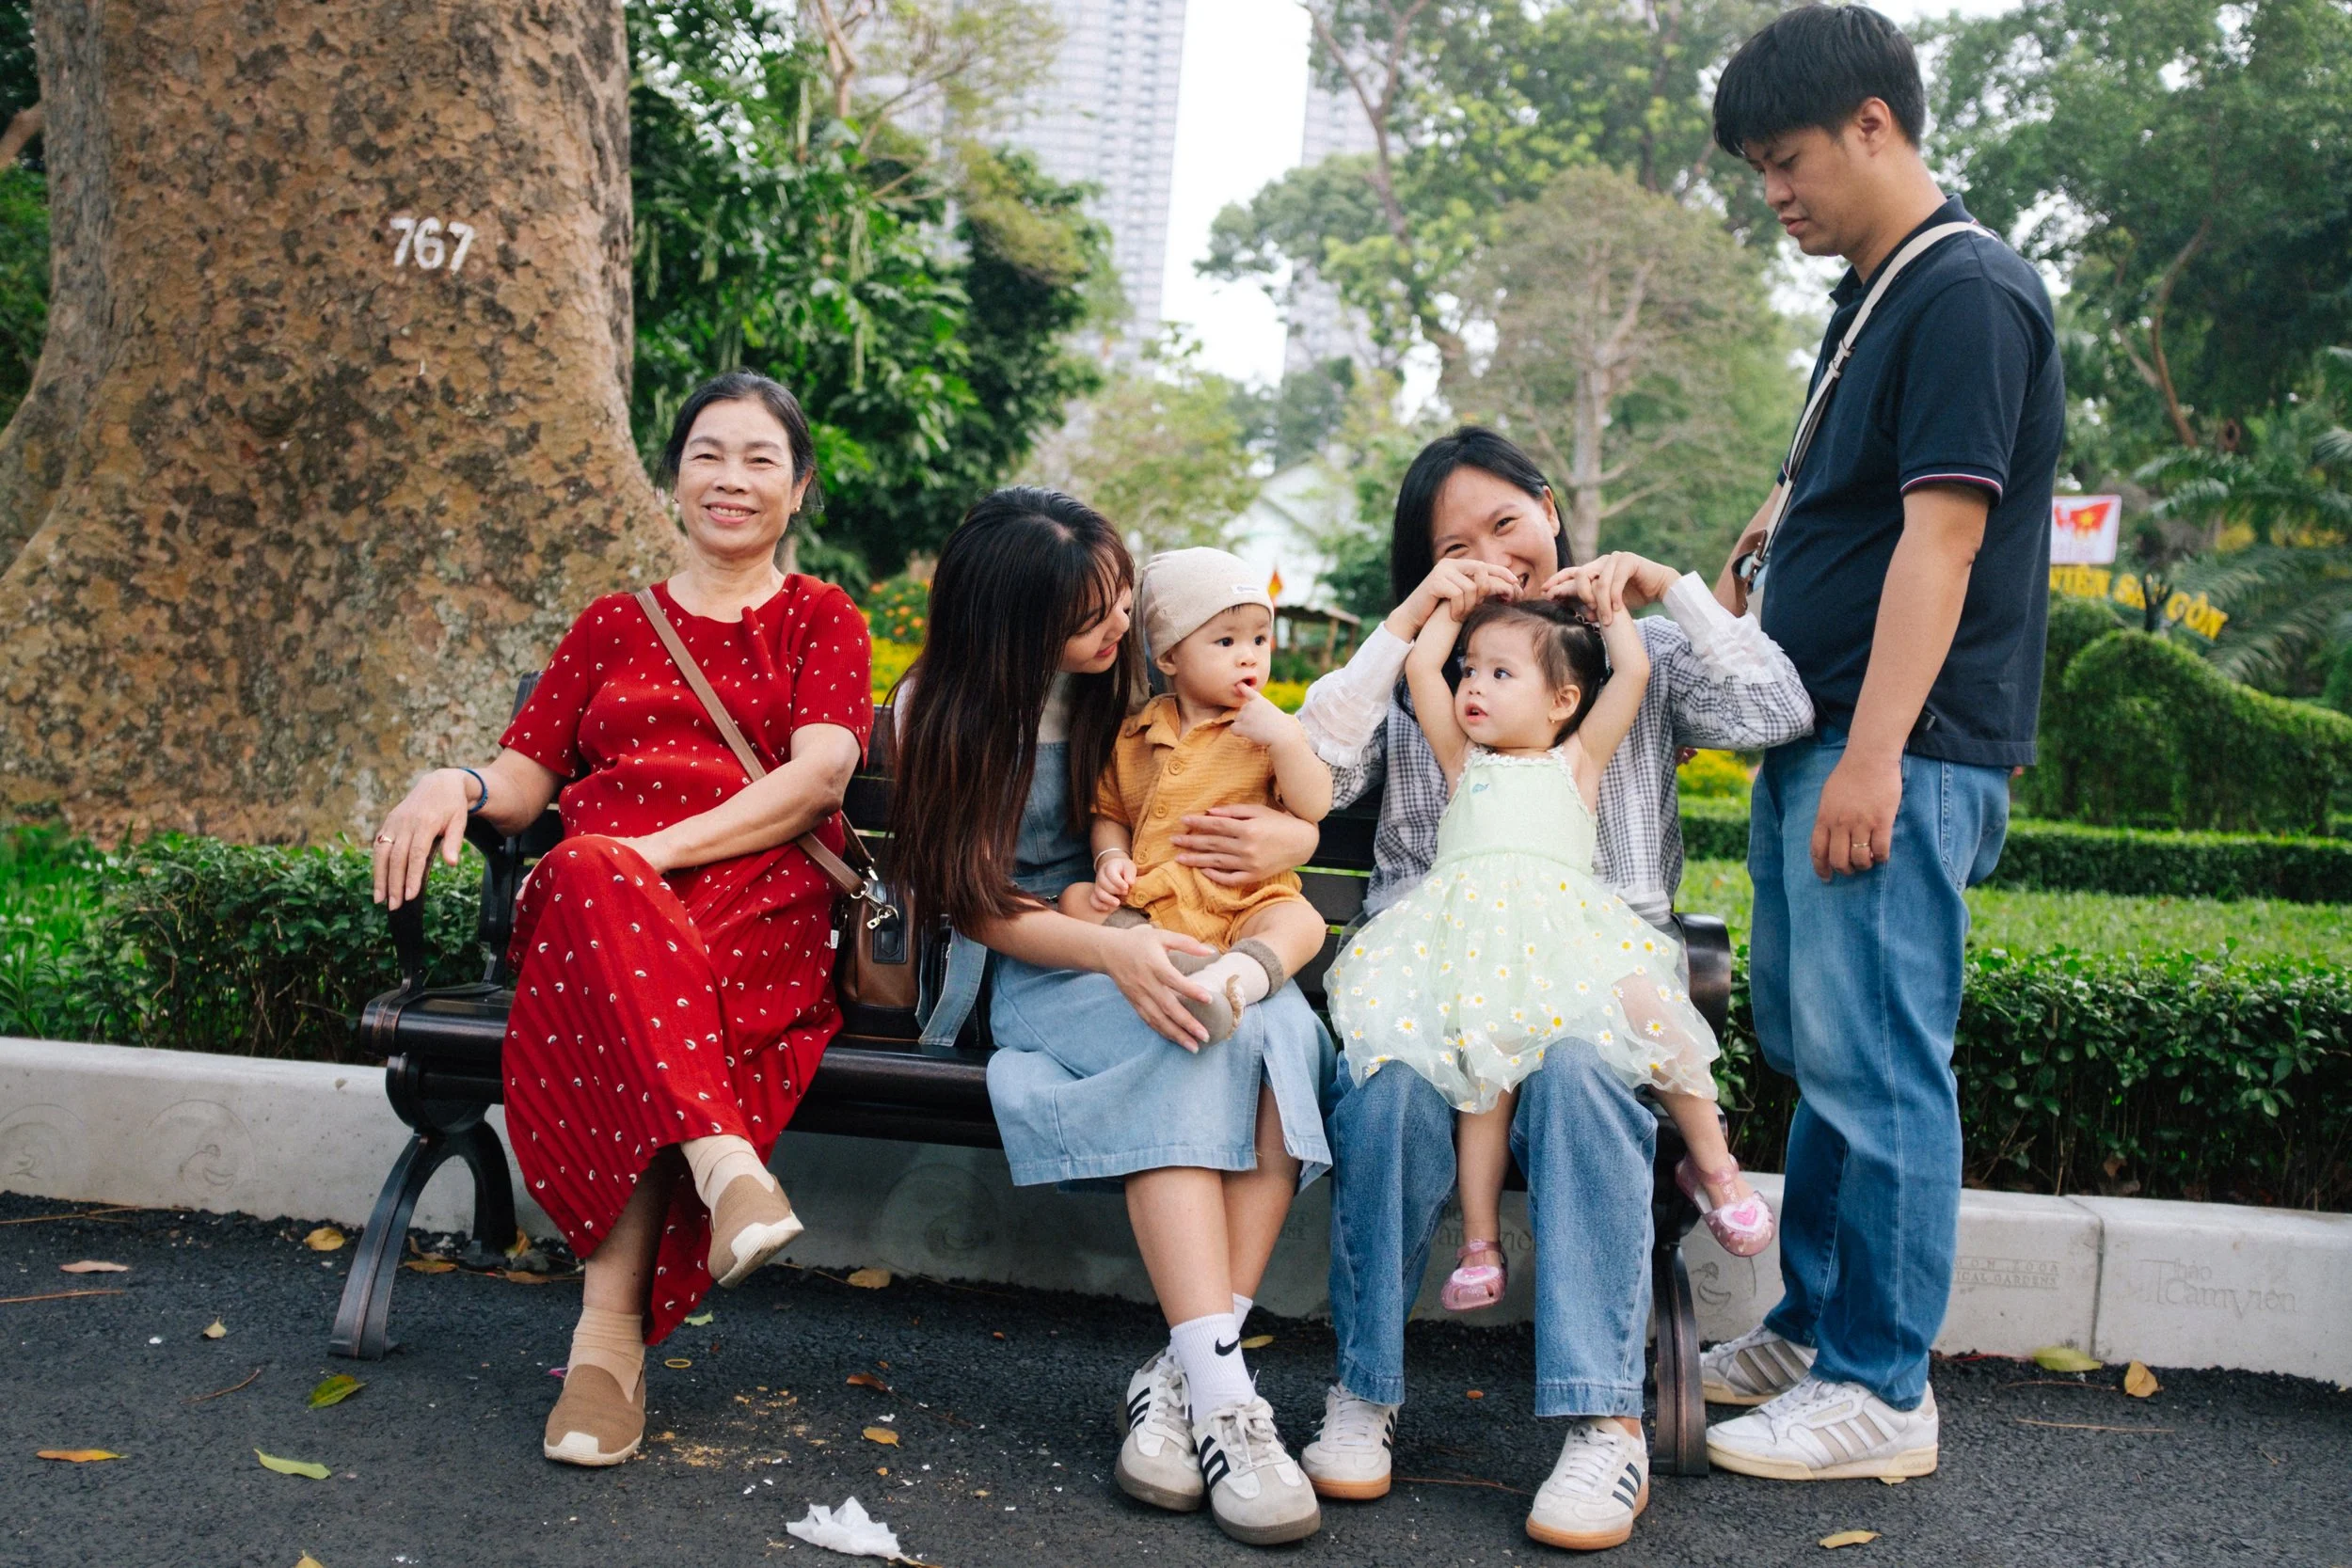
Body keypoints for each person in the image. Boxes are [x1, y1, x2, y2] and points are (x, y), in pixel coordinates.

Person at [1292, 427, 1812, 1550]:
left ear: (1549, 511)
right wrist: (1413, 625)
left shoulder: (1639, 661)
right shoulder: (1436, 686)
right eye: (1452, 543)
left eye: (1503, 523)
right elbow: (1314, 765)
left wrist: (1669, 586)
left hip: (1586, 979)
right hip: (1440, 984)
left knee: (1580, 1077)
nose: (1491, 553)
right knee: (1384, 1093)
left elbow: (1776, 711)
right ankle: (1362, 1391)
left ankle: (1602, 1423)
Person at [368, 372, 874, 1467]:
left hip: (750, 901)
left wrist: (651, 853)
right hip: (599, 907)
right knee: (601, 905)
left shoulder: (820, 617)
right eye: (707, 453)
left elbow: (818, 780)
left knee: (621, 954)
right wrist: (449, 781)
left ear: (798, 492)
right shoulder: (612, 624)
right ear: (673, 474)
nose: (729, 479)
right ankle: (725, 1164)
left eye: (758, 460)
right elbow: (521, 773)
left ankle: (606, 1348)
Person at [1699, 5, 2061, 1482]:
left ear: (1874, 123)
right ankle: (1816, 1326)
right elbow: (1867, 513)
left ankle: (1884, 1390)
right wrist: (1774, 548)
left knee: (1883, 1061)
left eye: (1787, 160)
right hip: (1828, 725)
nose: (1774, 192)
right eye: (1756, 171)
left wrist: (1875, 757)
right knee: (1820, 1042)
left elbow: (1945, 542)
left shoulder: (1965, 290)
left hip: (1891, 745)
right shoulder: (1875, 292)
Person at [889, 490, 1332, 1547]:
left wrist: (1290, 845)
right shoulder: (940, 712)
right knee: (1184, 1037)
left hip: (1161, 932)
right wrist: (1111, 942)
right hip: (1035, 961)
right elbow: (979, 905)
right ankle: (1229, 1402)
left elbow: (1272, 784)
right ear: (1014, 623)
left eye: (1123, 601)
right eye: (1093, 614)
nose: (1122, 627)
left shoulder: (1127, 689)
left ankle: (1189, 1374)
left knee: (1280, 1037)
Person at [1327, 594, 1770, 1323]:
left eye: (1501, 673)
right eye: (1471, 671)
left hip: (1567, 942)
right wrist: (1450, 602)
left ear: (1564, 699)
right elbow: (1421, 665)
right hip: (1473, 949)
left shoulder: (1578, 758)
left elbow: (1630, 670)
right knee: (1481, 1087)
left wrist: (1613, 605)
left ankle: (1713, 1165)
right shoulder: (1461, 760)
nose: (1473, 686)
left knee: (1657, 1015)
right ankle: (1479, 1244)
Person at [1059, 547, 1333, 1042]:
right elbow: (1110, 811)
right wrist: (1111, 857)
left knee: (1304, 923)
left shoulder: (1271, 731)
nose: (1249, 654)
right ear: (1169, 657)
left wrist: (1289, 740)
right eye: (1225, 641)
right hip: (1153, 902)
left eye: (1259, 638)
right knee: (1077, 899)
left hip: (1246, 903)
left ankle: (1233, 981)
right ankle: (1175, 963)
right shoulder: (1132, 735)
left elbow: (1313, 805)